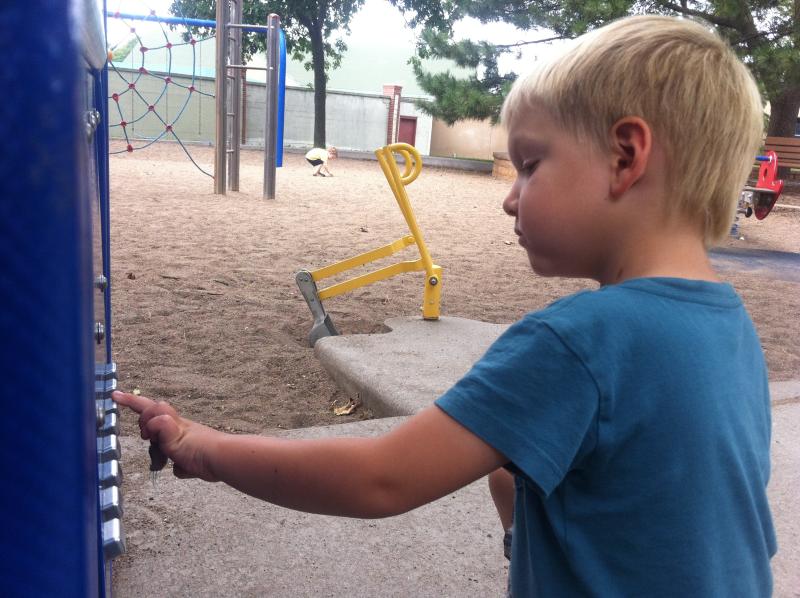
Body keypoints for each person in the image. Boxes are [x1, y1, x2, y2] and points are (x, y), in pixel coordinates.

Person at [113, 15, 776, 596]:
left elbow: (381, 478)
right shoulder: (728, 326)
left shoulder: (578, 341)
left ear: (625, 156)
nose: (510, 199)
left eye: (530, 165)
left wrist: (206, 447)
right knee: (509, 477)